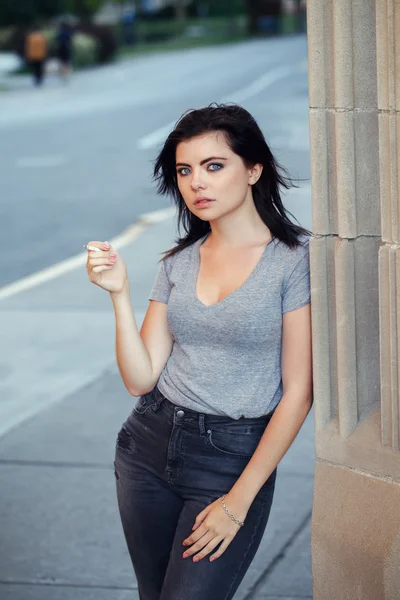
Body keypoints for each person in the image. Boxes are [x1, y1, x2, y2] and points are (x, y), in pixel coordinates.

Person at [85, 103, 313, 600]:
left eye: (214, 166)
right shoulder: (178, 262)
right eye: (185, 171)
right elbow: (139, 379)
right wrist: (119, 294)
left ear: (253, 170)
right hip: (147, 445)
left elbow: (299, 393)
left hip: (229, 460)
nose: (196, 184)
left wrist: (239, 500)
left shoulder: (294, 261)